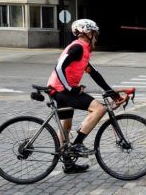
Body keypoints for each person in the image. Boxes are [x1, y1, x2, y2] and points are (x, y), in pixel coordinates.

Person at [47, 19, 125, 174]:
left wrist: (113, 93)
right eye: (95, 34)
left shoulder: (84, 50)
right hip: (62, 91)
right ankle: (77, 144)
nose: (96, 37)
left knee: (65, 127)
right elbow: (59, 67)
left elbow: (94, 74)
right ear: (88, 33)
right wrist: (70, 88)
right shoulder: (78, 48)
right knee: (99, 109)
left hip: (59, 90)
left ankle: (68, 164)